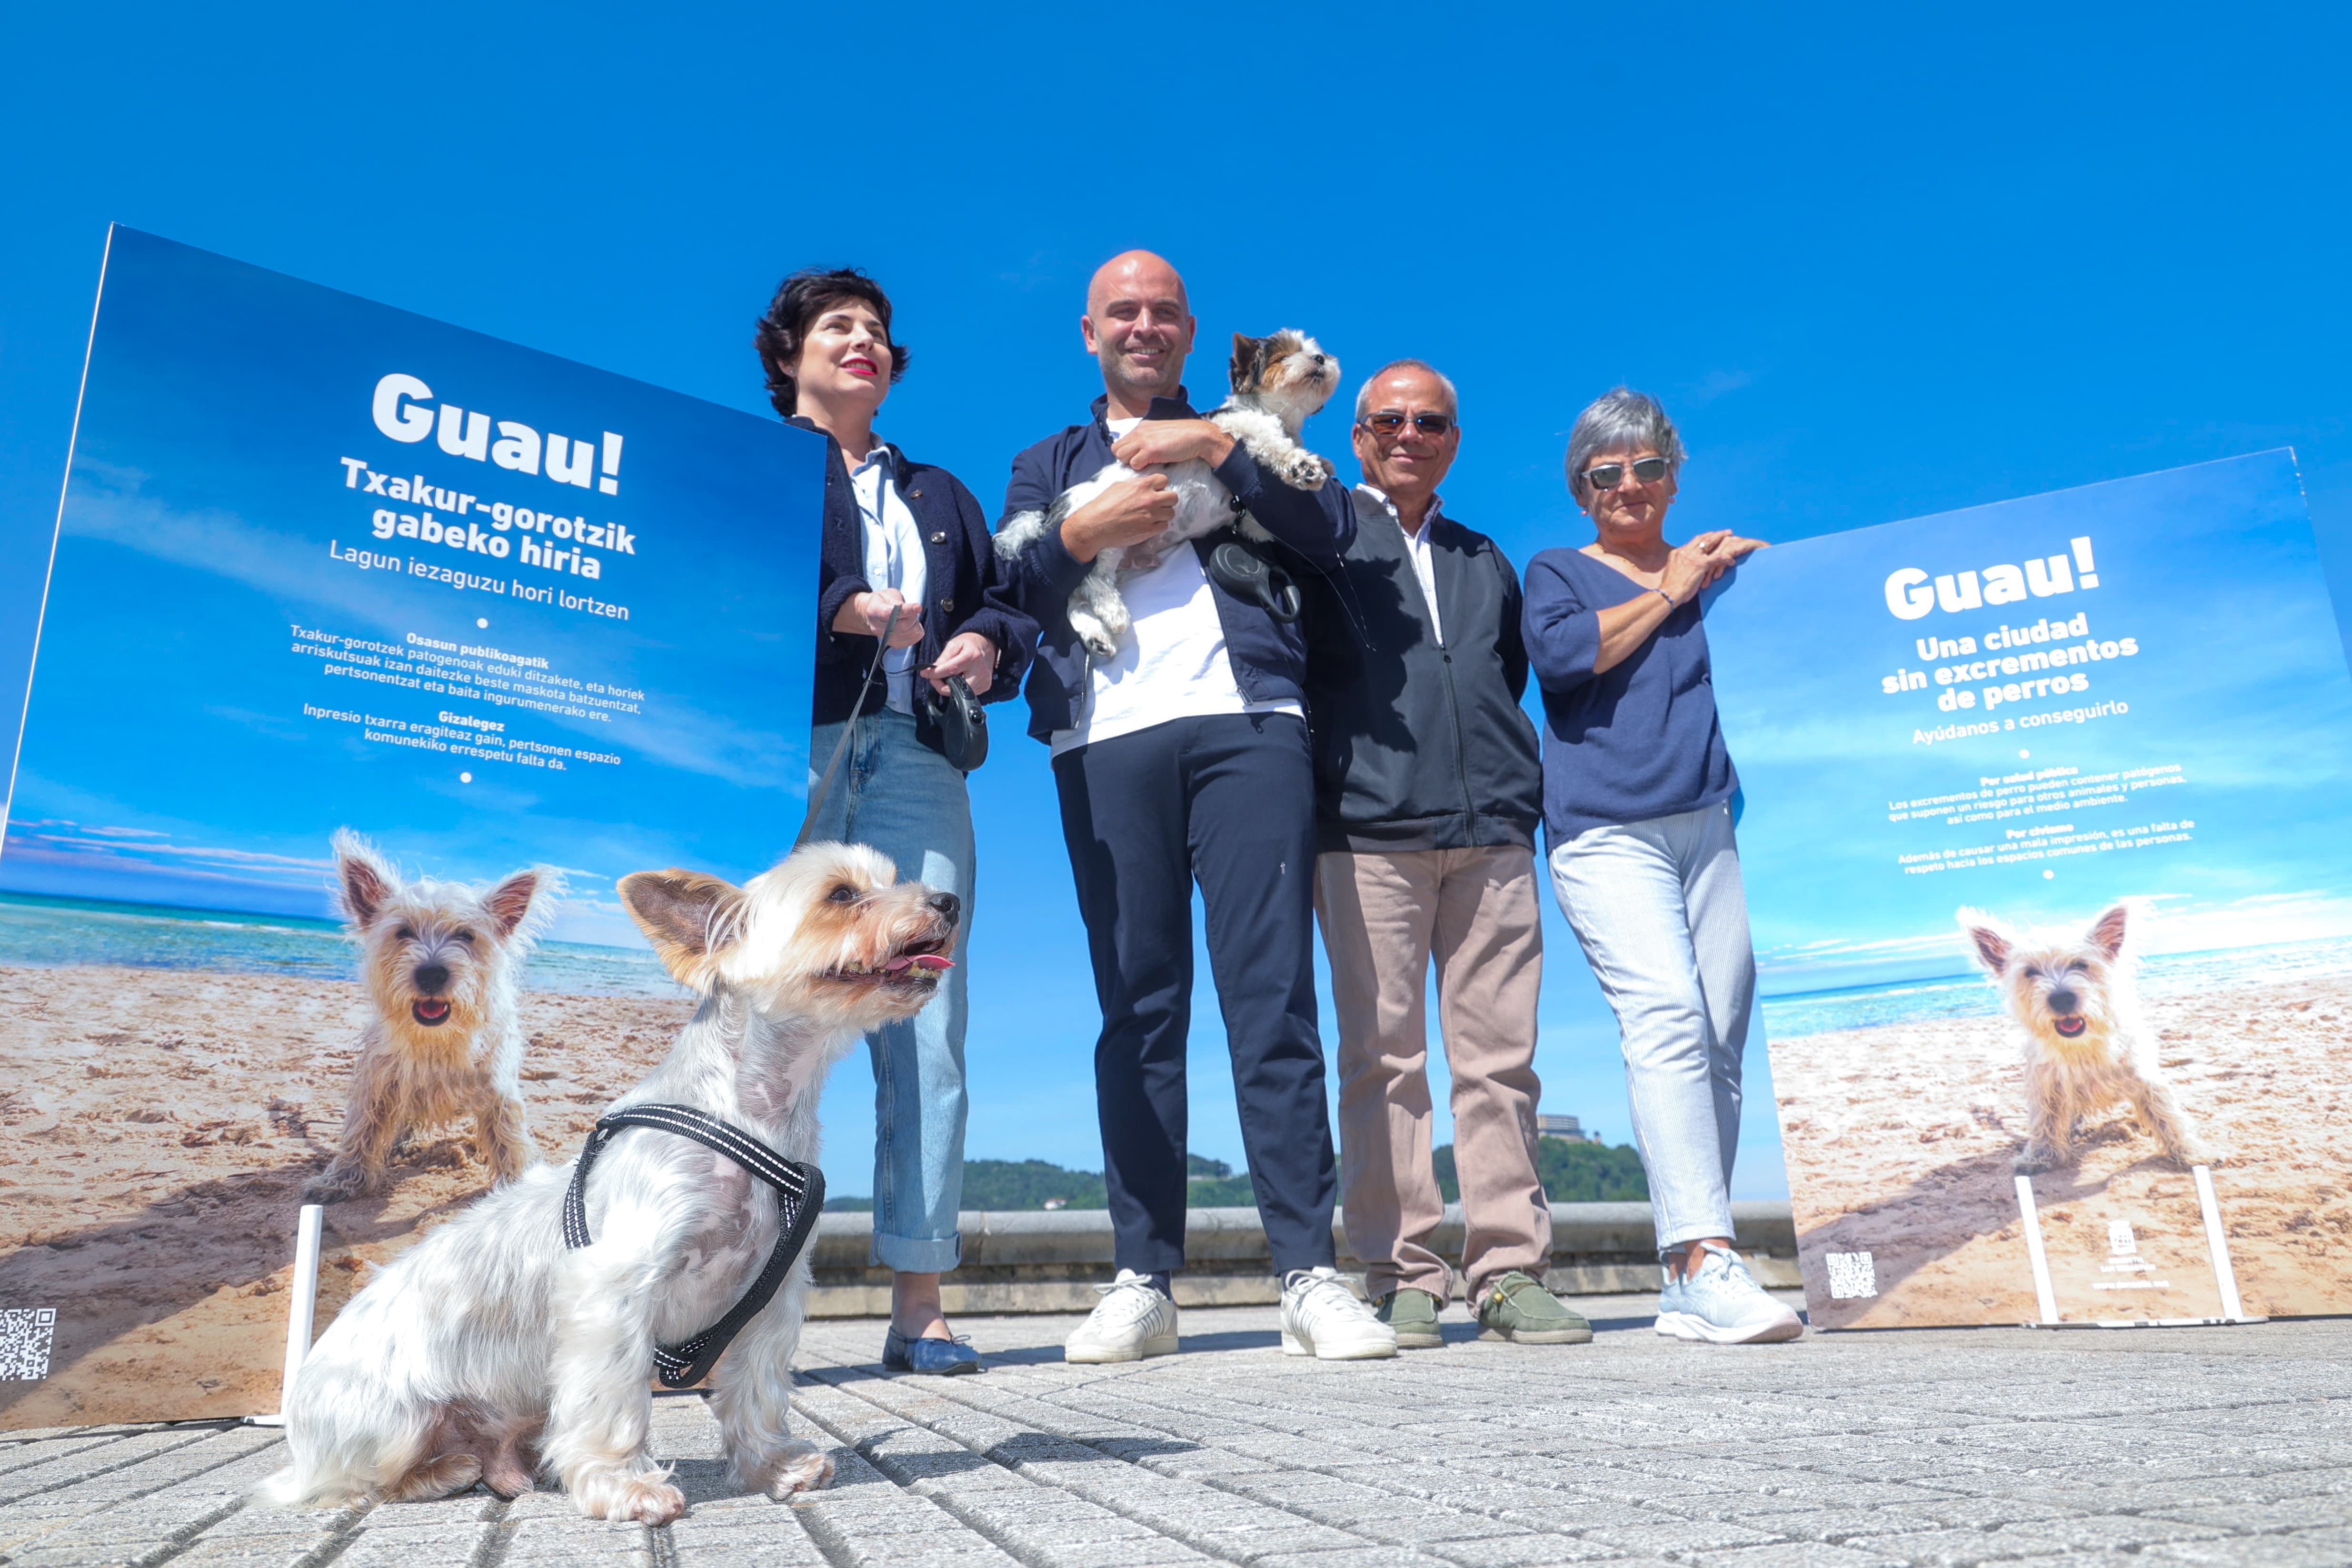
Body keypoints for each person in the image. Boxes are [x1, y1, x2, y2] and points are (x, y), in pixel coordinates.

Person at [997, 250, 1394, 1363]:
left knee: (1272, 999)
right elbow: (1010, 590)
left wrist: (1216, 445)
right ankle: (1142, 1280)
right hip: (1100, 736)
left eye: (1163, 312)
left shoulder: (1234, 428)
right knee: (1137, 1009)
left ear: (1188, 331)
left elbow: (1331, 540)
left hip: (1248, 723)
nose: (1143, 326)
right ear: (1089, 332)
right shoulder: (1047, 461)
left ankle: (1307, 1274)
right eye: (1121, 312)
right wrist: (1083, 532)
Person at [756, 267, 1036, 1375]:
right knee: (768, 1007)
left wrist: (985, 647)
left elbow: (1008, 604)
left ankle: (920, 1301)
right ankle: (726, 1297)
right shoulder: (755, 466)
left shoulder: (942, 494)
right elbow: (719, 578)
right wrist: (842, 604)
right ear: (789, 355)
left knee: (925, 1010)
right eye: (838, 327)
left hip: (920, 753)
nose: (863, 341)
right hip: (794, 743)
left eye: (877, 330)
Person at [1301, 359, 1590, 1350]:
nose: (1409, 435)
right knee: (1382, 1062)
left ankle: (1508, 1270)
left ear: (1452, 441)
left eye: (1429, 422)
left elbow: (1501, 677)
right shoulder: (1324, 538)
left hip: (1492, 831)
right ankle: (1401, 1274)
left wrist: (1514, 793)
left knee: (1500, 1064)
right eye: (1388, 419)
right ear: (1358, 435)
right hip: (1365, 831)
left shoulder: (1483, 555)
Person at [1519, 388, 1800, 1345]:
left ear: (1674, 475)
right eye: (1606, 473)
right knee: (1669, 1017)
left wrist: (1770, 582)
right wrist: (1677, 587)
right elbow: (1564, 663)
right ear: (1581, 489)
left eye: (1646, 466)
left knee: (1721, 1027)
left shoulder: (1715, 573)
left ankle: (1693, 1276)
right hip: (1606, 834)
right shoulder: (1558, 571)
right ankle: (1698, 1256)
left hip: (1711, 826)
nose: (1629, 485)